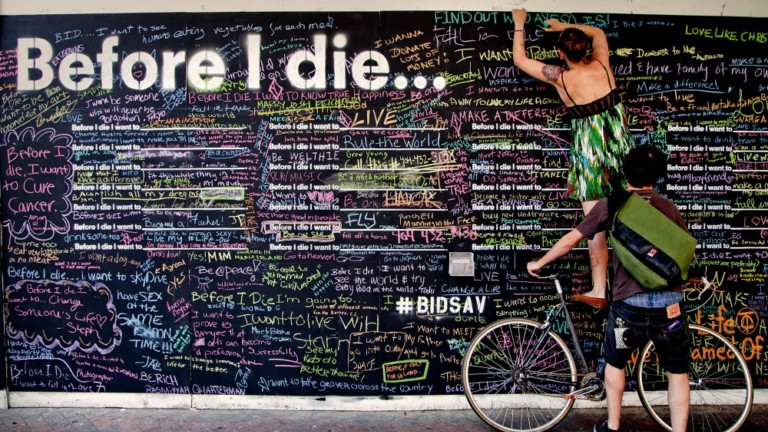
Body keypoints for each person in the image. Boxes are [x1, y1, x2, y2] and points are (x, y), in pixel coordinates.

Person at [527, 145, 690, 432]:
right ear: (657, 175)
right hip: (670, 306)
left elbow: (571, 240)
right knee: (677, 371)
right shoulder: (669, 207)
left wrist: (540, 262)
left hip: (629, 306)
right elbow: (683, 254)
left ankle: (613, 426)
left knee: (615, 363)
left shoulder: (611, 205)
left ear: (625, 173)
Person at [512, 8, 636, 309]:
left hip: (590, 155)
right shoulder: (603, 64)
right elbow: (599, 33)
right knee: (633, 217)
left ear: (561, 54)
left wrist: (519, 24)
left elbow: (520, 60)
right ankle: (638, 284)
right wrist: (564, 26)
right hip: (621, 151)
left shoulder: (561, 78)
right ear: (585, 49)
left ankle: (599, 289)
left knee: (595, 226)